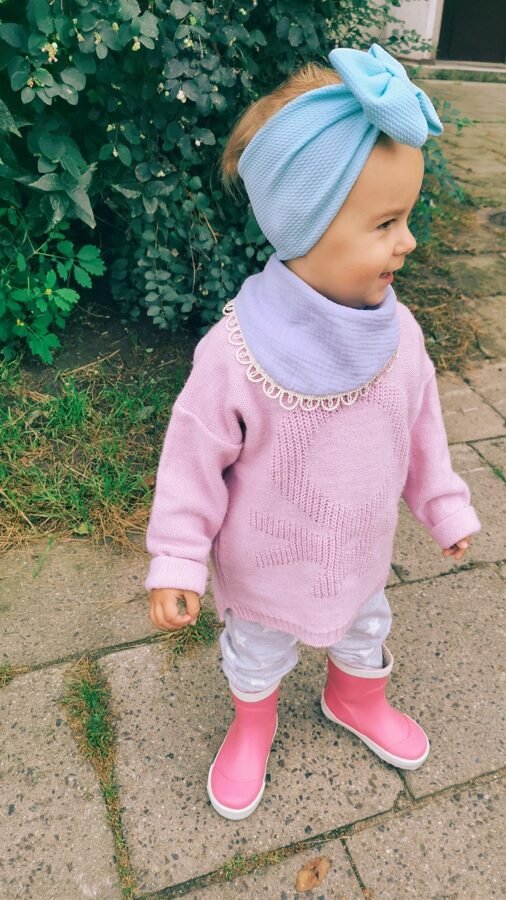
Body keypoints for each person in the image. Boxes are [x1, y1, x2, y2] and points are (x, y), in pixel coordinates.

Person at [145, 44, 481, 821]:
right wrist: (177, 559)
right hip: (265, 566)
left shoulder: (401, 339)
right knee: (257, 653)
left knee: (365, 629)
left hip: (360, 553)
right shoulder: (235, 354)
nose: (410, 242)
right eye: (388, 223)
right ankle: (251, 723)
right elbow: (191, 463)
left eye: (409, 218)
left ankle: (355, 697)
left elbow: (422, 431)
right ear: (304, 227)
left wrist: (445, 506)